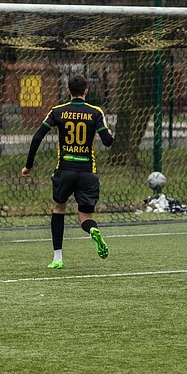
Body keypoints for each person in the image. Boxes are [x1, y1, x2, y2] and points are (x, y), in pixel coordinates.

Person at [21, 73, 114, 269]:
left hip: (64, 170)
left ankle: (57, 258)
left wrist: (28, 165)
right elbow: (107, 141)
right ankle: (92, 230)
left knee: (58, 209)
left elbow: (37, 137)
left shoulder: (58, 111)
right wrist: (110, 134)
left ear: (68, 91)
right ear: (86, 91)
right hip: (87, 171)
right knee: (85, 218)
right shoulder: (95, 112)